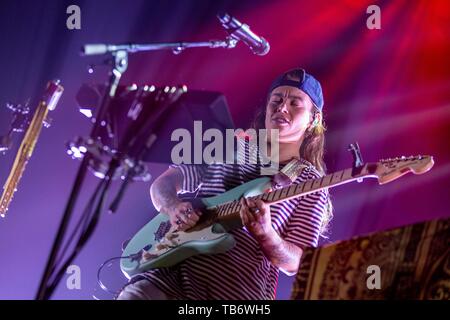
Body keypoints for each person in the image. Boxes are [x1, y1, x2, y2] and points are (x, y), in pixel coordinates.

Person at [117, 68, 332, 300]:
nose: (282, 108)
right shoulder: (228, 146)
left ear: (314, 119)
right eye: (276, 100)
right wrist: (172, 207)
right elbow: (163, 184)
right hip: (164, 279)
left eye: (295, 103)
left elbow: (298, 262)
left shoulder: (312, 183)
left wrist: (266, 233)